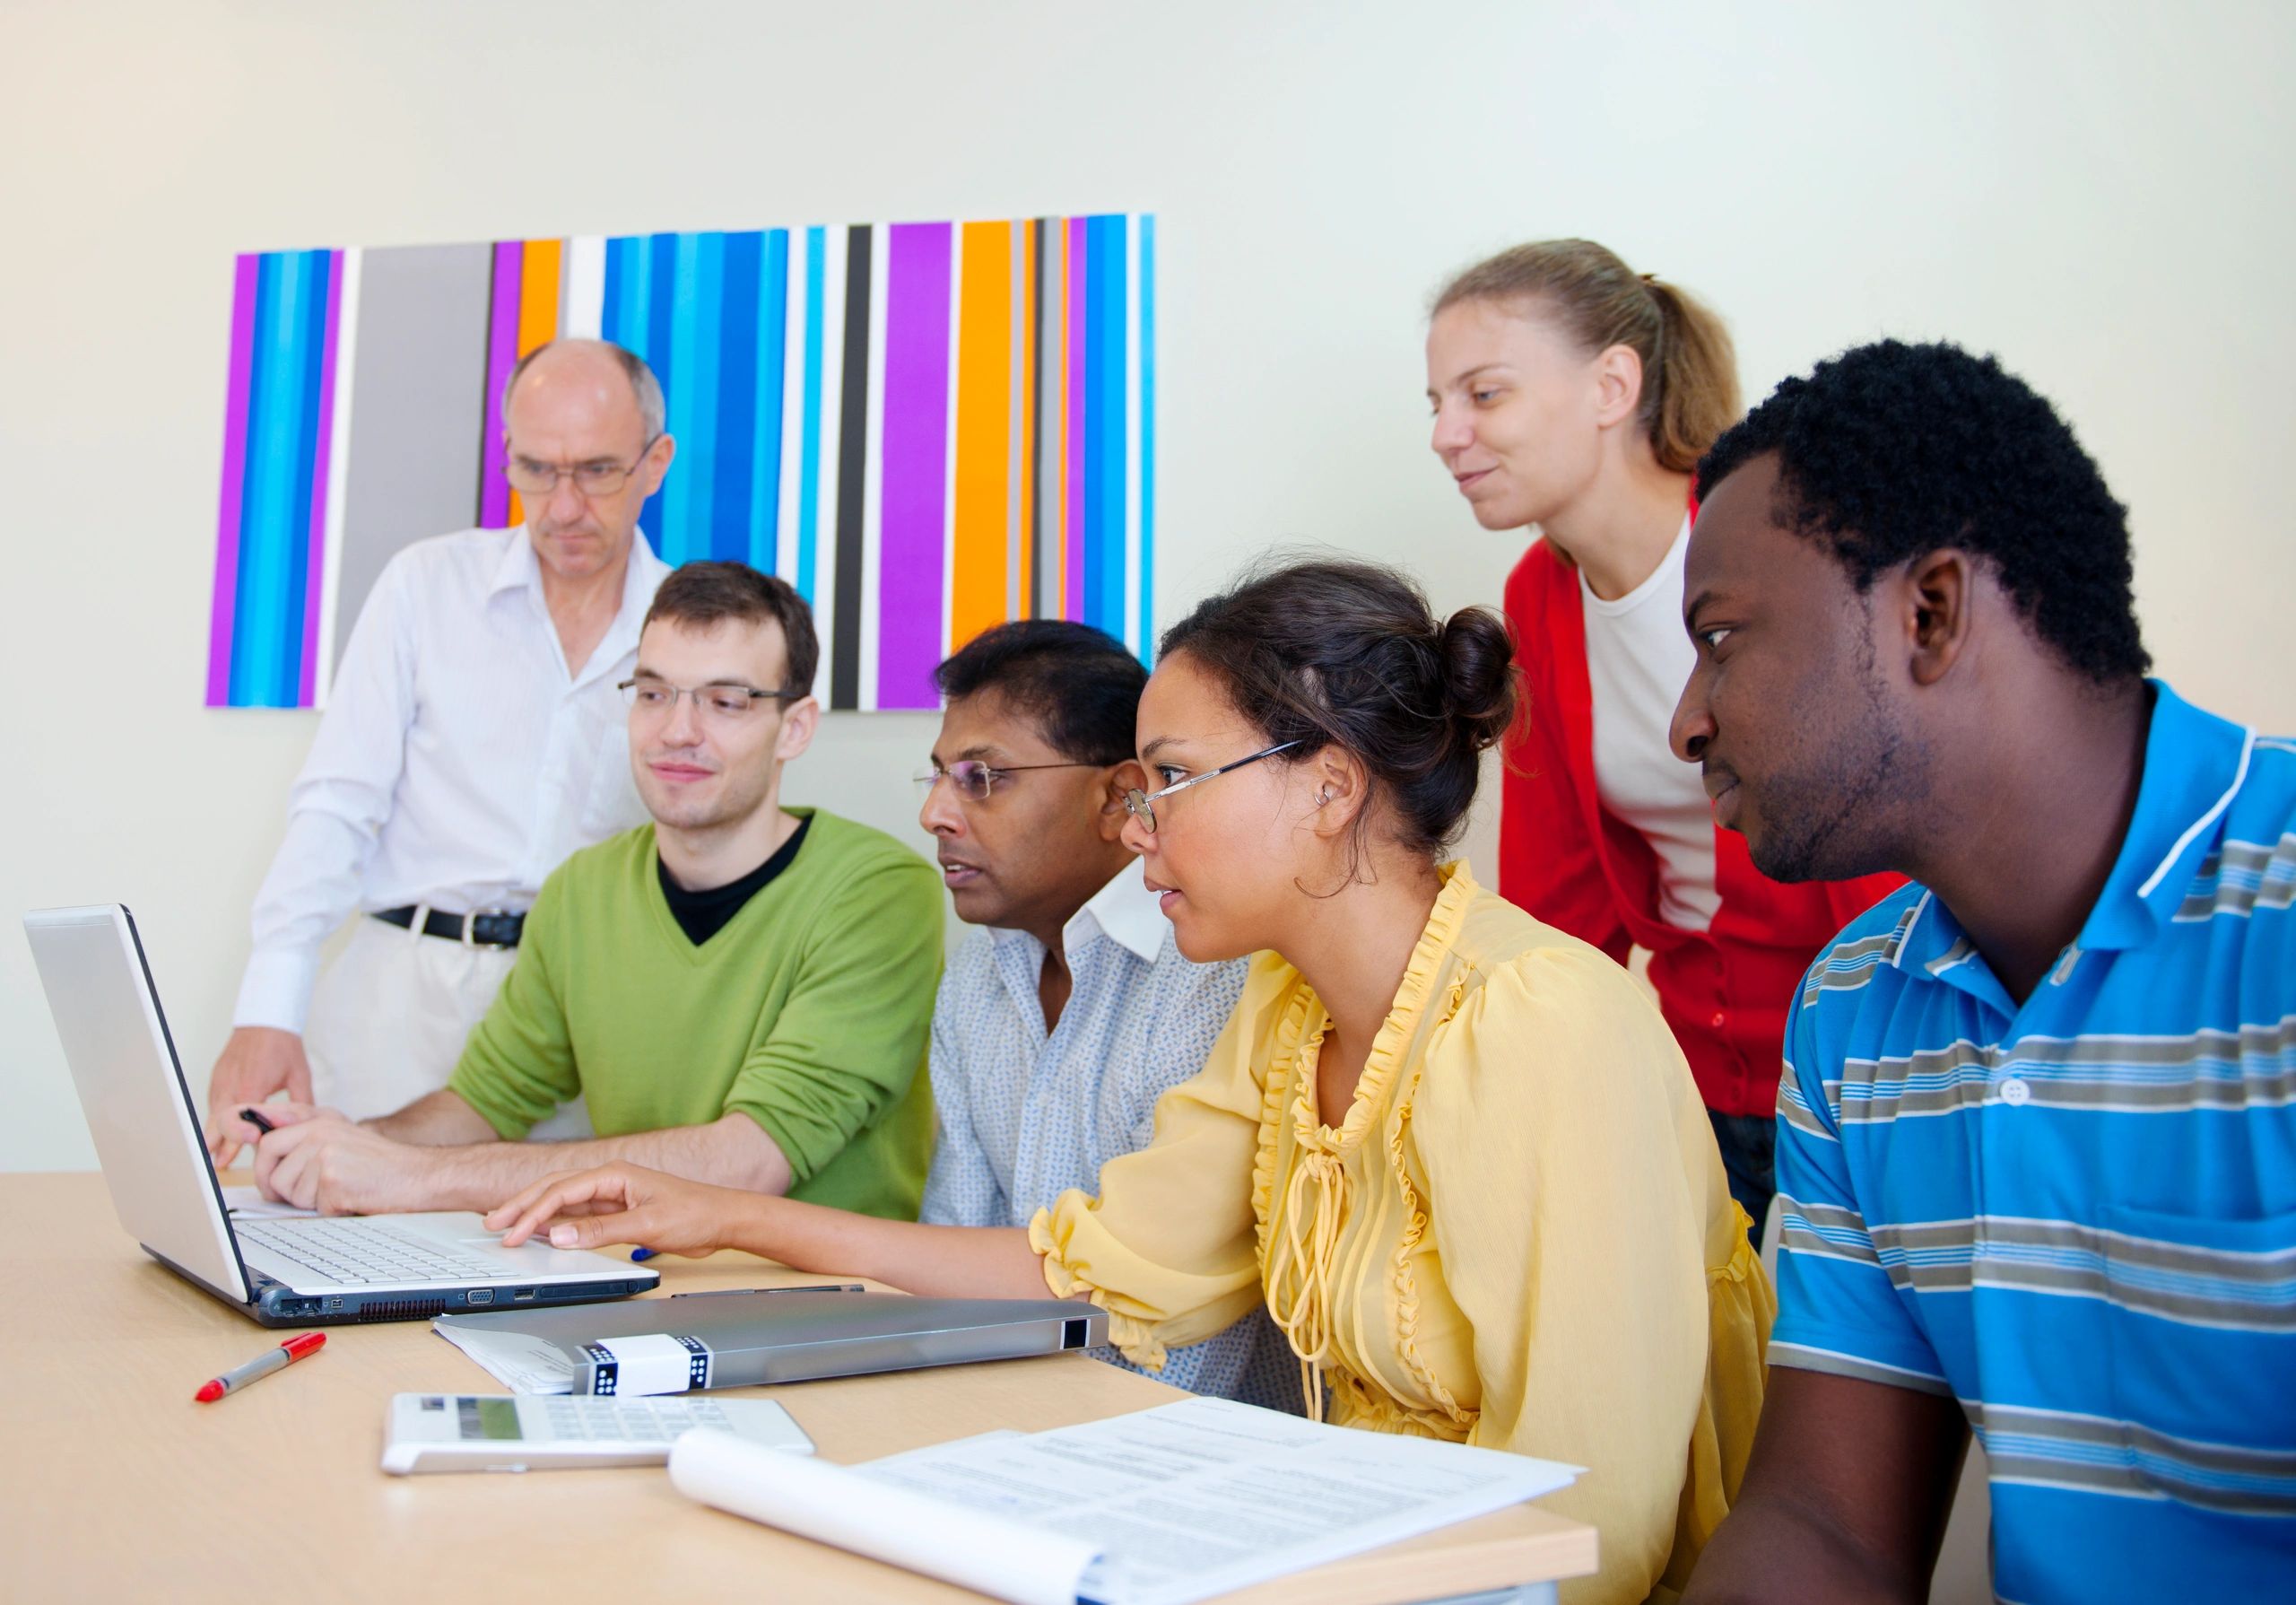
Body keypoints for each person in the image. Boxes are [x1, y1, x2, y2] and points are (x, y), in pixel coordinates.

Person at [490, 560, 1770, 1604]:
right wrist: (726, 1216)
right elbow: (1089, 1266)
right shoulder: (1283, 1007)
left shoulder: (1540, 1020)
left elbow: (1596, 1528)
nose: (1134, 824)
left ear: (1329, 786)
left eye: (1169, 778)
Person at [1673, 342, 2296, 1602]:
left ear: (1933, 612)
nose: (1688, 719)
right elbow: (1826, 1531)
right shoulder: (1853, 1009)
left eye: (1724, 637)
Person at [1425, 240, 1900, 1236]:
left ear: (1612, 384)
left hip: (1866, 1075)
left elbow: (1892, 864)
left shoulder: (1793, 553)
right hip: (1694, 1082)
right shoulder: (1538, 599)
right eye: (1434, 403)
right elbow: (1561, 903)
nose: (1447, 433)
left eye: (1483, 394)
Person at [246, 561, 942, 1222]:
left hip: (816, 1313)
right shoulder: (582, 890)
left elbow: (748, 1161)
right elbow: (485, 1103)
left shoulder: (880, 895)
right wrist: (345, 1145)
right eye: (652, 693)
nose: (676, 730)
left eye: (724, 702)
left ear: (794, 727)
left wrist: (411, 1177)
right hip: (625, 1281)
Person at [207, 338, 679, 1164]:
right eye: (537, 469)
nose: (563, 506)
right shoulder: (423, 587)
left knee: (564, 1259)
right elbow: (337, 802)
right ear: (507, 458)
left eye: (598, 471)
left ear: (655, 463)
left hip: (586, 1010)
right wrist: (268, 1004)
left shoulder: (690, 631)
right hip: (397, 999)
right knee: (350, 1247)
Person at [918, 618, 1295, 1408]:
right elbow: (947, 1269)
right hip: (999, 1435)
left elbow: (1183, 1352)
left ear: (1121, 795)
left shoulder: (1215, 971)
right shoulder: (976, 973)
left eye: (982, 778)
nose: (937, 815)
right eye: (938, 778)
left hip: (1205, 1461)